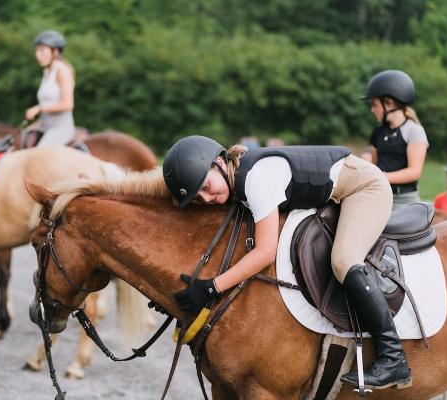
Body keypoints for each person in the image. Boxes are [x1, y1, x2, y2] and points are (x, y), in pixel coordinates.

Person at [162, 135, 411, 390]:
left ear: (219, 163)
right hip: (335, 193)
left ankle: (393, 358)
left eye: (205, 187)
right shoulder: (237, 179)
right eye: (198, 198)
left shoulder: (257, 180)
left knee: (344, 260)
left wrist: (211, 287)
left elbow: (265, 252)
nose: (207, 198)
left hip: (364, 187)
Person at [365, 70, 429, 210]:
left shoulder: (414, 131)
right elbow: (375, 164)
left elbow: (414, 172)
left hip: (404, 200)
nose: (372, 109)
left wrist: (382, 177)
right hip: (379, 194)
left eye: (375, 104)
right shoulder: (378, 131)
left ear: (388, 104)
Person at [24, 30, 76, 147]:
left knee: (38, 158)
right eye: (37, 50)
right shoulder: (47, 71)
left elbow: (68, 104)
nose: (37, 54)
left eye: (42, 50)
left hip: (60, 129)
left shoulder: (62, 70)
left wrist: (39, 108)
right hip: (44, 126)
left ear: (55, 52)